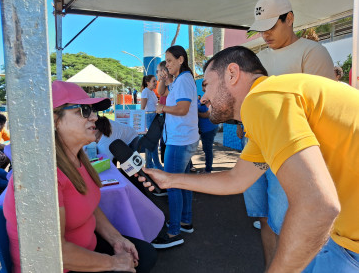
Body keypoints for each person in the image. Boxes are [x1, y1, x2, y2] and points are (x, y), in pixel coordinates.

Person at [140, 46, 359, 272]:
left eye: (207, 85)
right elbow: (236, 179)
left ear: (232, 74)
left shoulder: (262, 99)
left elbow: (317, 205)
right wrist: (169, 180)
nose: (203, 98)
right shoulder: (271, 100)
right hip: (345, 240)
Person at [3, 81, 157, 273]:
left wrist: (116, 239)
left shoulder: (78, 160)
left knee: (146, 254)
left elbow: (90, 208)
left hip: (87, 249)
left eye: (93, 110)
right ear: (53, 119)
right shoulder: (39, 176)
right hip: (58, 266)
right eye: (84, 110)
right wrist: (114, 263)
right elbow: (55, 253)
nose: (94, 117)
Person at [239, 0, 336, 265]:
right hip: (258, 149)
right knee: (264, 218)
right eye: (261, 27)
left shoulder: (312, 52)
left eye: (271, 25)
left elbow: (323, 112)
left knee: (289, 223)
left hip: (294, 155)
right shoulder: (257, 58)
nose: (265, 33)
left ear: (290, 18)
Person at [152, 45, 199, 249]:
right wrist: (163, 78)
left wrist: (162, 108)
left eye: (170, 60)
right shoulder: (180, 80)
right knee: (182, 182)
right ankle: (184, 221)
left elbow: (182, 108)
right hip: (182, 139)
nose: (167, 64)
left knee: (171, 184)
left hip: (179, 141)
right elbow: (161, 91)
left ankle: (173, 232)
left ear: (181, 59)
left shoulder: (184, 80)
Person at [141, 75, 163, 170]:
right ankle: (156, 164)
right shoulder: (145, 91)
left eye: (155, 81)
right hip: (149, 116)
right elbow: (142, 108)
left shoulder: (151, 92)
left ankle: (150, 164)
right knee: (153, 142)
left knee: (152, 142)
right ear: (147, 82)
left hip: (154, 116)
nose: (155, 83)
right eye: (154, 81)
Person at [197, 95, 218, 174]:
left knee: (208, 149)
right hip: (205, 129)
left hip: (209, 129)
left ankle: (208, 170)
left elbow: (207, 114)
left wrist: (195, 112)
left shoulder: (209, 98)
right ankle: (208, 168)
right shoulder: (199, 100)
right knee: (206, 149)